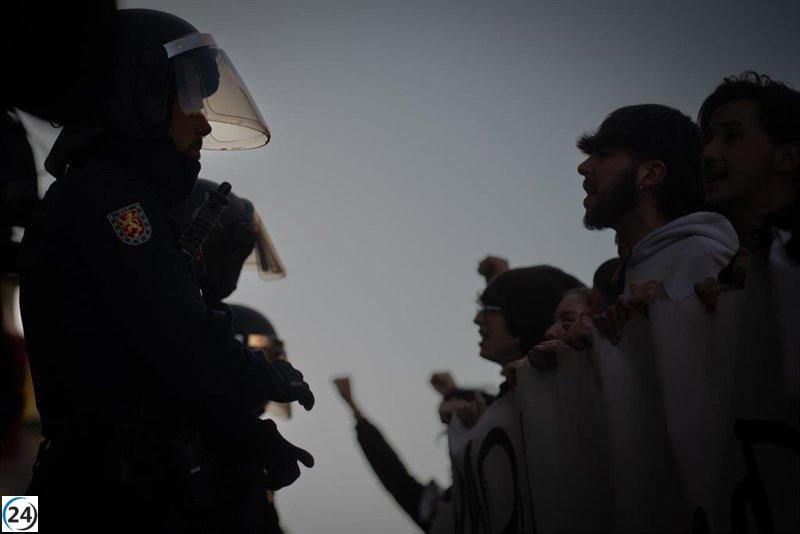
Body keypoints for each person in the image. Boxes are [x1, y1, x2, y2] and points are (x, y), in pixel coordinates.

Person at [18, 9, 311, 532]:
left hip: (83, 484)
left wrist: (237, 435)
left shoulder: (97, 195)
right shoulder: (112, 198)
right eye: (193, 99)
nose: (203, 121)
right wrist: (262, 376)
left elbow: (145, 367)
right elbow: (177, 336)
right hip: (102, 495)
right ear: (144, 95)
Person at [576, 104, 739, 343]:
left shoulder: (700, 255)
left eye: (603, 154)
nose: (584, 167)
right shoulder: (644, 262)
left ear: (650, 174)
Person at [695, 72, 800, 309]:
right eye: (708, 139)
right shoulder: (733, 274)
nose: (707, 153)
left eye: (732, 135)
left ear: (787, 157)